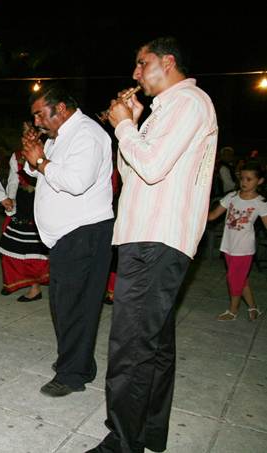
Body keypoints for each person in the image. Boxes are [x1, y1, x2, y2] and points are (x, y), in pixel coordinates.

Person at [90, 37, 218, 453]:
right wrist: (132, 122)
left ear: (168, 61)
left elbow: (151, 166)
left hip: (156, 237)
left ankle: (122, 442)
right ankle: (147, 431)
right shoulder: (164, 110)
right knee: (155, 344)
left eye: (141, 63)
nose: (135, 73)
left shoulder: (188, 102)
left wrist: (124, 125)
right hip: (148, 234)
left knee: (130, 345)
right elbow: (133, 174)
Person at [21, 81, 114, 397]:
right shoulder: (59, 137)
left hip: (85, 232)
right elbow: (39, 173)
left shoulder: (87, 134)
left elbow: (76, 182)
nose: (36, 121)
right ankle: (79, 363)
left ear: (60, 108)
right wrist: (33, 155)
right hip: (68, 236)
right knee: (66, 305)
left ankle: (72, 375)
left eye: (39, 114)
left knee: (74, 307)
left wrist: (40, 160)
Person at [0, 123, 50, 302]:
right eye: (24, 134)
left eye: (31, 133)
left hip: (41, 203)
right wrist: (10, 199)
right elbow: (13, 180)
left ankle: (35, 288)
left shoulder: (49, 152)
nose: (27, 137)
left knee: (35, 249)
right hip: (23, 203)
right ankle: (13, 281)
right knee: (12, 246)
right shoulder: (17, 156)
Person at [207, 161, 266, 321]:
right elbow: (212, 216)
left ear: (260, 181)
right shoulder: (231, 197)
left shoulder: (260, 203)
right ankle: (253, 308)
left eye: (249, 179)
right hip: (228, 246)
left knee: (233, 279)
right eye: (242, 178)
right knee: (241, 279)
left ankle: (233, 311)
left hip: (244, 248)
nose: (244, 182)